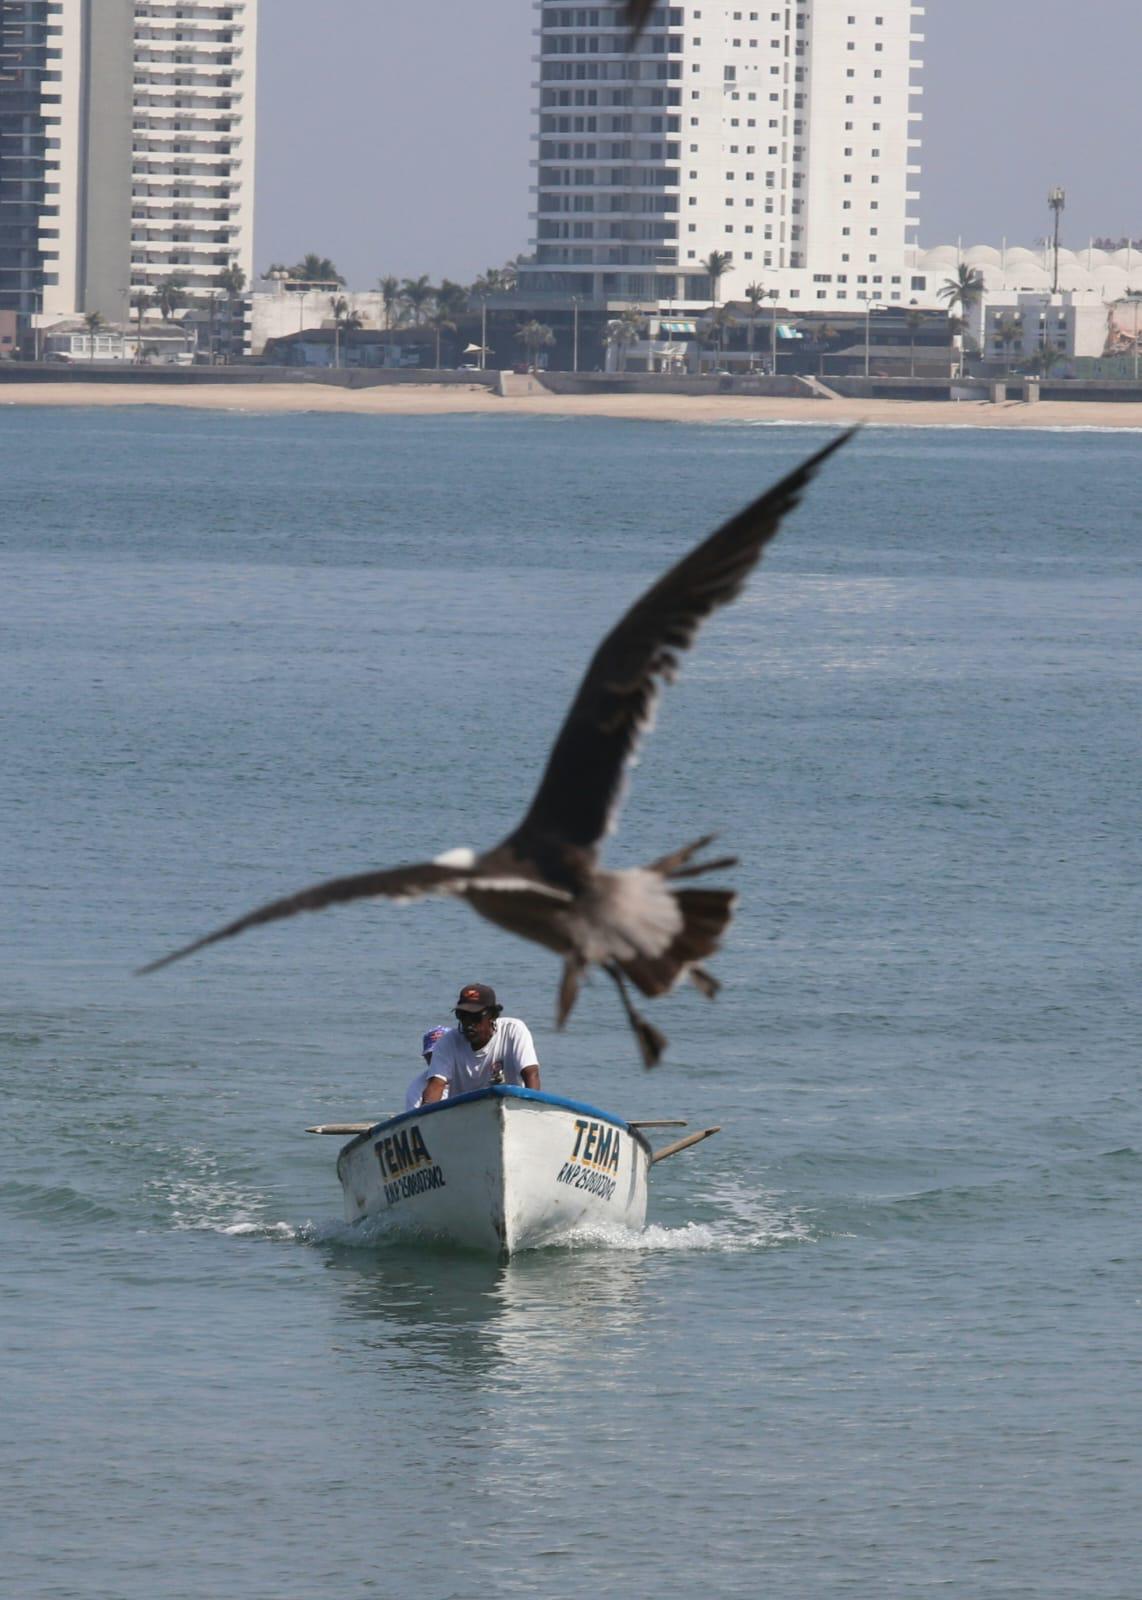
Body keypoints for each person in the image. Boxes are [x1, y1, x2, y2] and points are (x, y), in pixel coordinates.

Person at [420, 983, 540, 1104]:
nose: (468, 1023)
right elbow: (436, 1085)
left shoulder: (513, 1031)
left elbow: (531, 1074)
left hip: (513, 1108)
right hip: (462, 1116)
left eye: (475, 1017)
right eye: (462, 1016)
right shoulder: (447, 1042)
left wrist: (532, 1108)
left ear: (493, 1015)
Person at [405, 1025, 450, 1111]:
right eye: (431, 1056)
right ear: (425, 1058)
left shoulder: (471, 1072)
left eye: (441, 1055)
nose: (437, 1061)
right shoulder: (416, 1088)